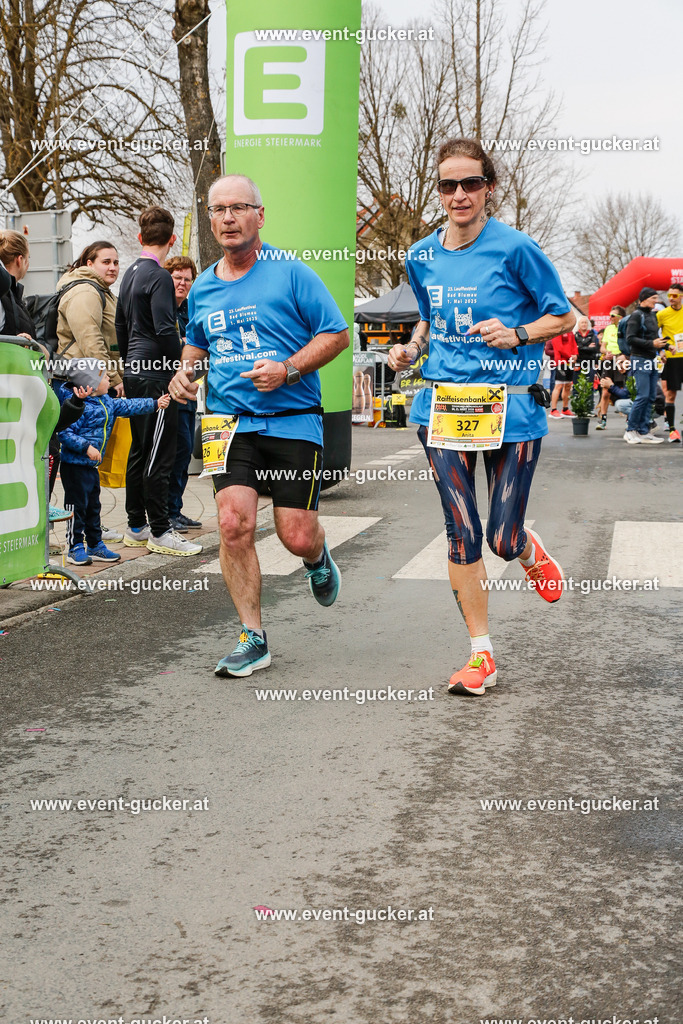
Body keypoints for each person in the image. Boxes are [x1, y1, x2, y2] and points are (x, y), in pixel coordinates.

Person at [387, 138, 575, 697]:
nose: (460, 194)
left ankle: (526, 546)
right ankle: (481, 654)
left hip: (510, 407)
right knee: (461, 530)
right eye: (449, 185)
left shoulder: (516, 249)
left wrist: (517, 333)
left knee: (500, 536)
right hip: (443, 405)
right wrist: (410, 350)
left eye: (471, 183)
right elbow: (426, 317)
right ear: (439, 192)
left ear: (489, 187)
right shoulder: (420, 254)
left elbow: (564, 316)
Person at [168, 174, 349, 678]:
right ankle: (253, 636)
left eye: (238, 208)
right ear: (210, 219)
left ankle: (317, 557)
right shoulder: (202, 285)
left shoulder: (291, 273)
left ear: (259, 216)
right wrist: (186, 373)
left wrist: (289, 369)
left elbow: (336, 333)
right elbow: (198, 345)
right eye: (218, 210)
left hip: (292, 419)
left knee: (294, 534)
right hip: (228, 420)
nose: (227, 218)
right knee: (232, 524)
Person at [116, 206, 201, 556]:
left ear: (139, 238)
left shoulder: (131, 273)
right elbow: (167, 330)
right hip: (156, 374)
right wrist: (178, 370)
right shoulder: (160, 277)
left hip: (135, 369)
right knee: (160, 454)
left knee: (139, 450)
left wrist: (128, 365)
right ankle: (161, 530)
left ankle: (136, 525)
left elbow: (121, 327)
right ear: (171, 240)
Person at [57, 358, 170, 565]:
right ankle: (74, 547)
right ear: (89, 384)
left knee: (93, 506)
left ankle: (95, 544)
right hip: (74, 466)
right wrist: (86, 447)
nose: (109, 377)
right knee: (77, 507)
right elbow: (64, 432)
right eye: (103, 376)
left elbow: (128, 405)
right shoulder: (74, 405)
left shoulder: (105, 401)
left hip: (91, 467)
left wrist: (154, 404)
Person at [164, 255, 202, 531]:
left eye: (188, 279)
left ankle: (175, 509)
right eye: (177, 277)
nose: (183, 283)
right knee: (171, 452)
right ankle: (164, 512)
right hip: (168, 393)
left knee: (185, 451)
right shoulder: (162, 309)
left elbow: (201, 349)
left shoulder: (191, 311)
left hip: (189, 392)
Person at [56, 241, 123, 393]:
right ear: (89, 264)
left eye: (116, 262)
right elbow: (91, 341)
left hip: (94, 380)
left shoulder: (103, 292)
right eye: (106, 262)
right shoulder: (85, 292)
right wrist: (113, 379)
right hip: (83, 384)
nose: (112, 267)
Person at [624, 288, 667, 445]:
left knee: (650, 397)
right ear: (644, 299)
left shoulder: (651, 315)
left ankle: (643, 431)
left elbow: (654, 337)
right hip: (639, 359)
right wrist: (652, 344)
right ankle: (630, 430)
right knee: (642, 396)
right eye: (653, 298)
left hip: (652, 359)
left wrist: (663, 349)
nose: (656, 300)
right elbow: (630, 338)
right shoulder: (636, 316)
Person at [656, 283, 683, 443]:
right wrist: (660, 350)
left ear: (681, 297)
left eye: (674, 296)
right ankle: (672, 430)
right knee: (671, 394)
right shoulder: (662, 314)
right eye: (669, 295)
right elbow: (653, 334)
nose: (671, 298)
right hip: (672, 359)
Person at [596, 305, 626, 429]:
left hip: (622, 361)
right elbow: (602, 347)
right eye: (610, 315)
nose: (610, 318)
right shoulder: (608, 328)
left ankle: (630, 422)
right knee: (605, 391)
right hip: (609, 361)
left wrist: (622, 355)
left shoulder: (626, 327)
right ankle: (603, 421)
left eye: (613, 316)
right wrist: (606, 352)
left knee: (626, 390)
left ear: (621, 317)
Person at [573, 316, 600, 413]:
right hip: (579, 363)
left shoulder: (593, 335)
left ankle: (589, 408)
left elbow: (594, 349)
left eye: (585, 322)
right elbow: (574, 349)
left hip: (590, 363)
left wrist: (580, 347)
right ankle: (577, 408)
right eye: (582, 323)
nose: (584, 324)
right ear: (578, 325)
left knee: (589, 385)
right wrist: (586, 347)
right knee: (577, 385)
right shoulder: (575, 335)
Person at [548, 331, 578, 418]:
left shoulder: (570, 332)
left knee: (568, 385)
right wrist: (570, 356)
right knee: (558, 385)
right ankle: (553, 410)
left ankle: (565, 409)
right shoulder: (558, 331)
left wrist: (575, 355)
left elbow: (574, 345)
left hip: (570, 362)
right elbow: (559, 347)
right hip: (560, 362)